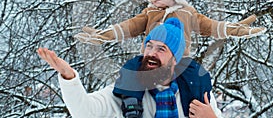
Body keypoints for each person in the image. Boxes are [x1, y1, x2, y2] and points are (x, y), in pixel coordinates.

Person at [74, 0, 266, 117]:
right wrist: (103, 35)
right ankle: (132, 102)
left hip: (180, 64)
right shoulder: (149, 13)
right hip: (150, 64)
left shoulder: (188, 14)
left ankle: (195, 109)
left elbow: (212, 26)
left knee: (197, 79)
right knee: (131, 70)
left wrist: (235, 29)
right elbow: (129, 27)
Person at [37, 18, 223, 118]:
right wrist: (69, 78)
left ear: (175, 59)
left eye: (161, 49)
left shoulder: (196, 92)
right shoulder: (126, 90)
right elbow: (85, 111)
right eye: (149, 46)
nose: (151, 53)